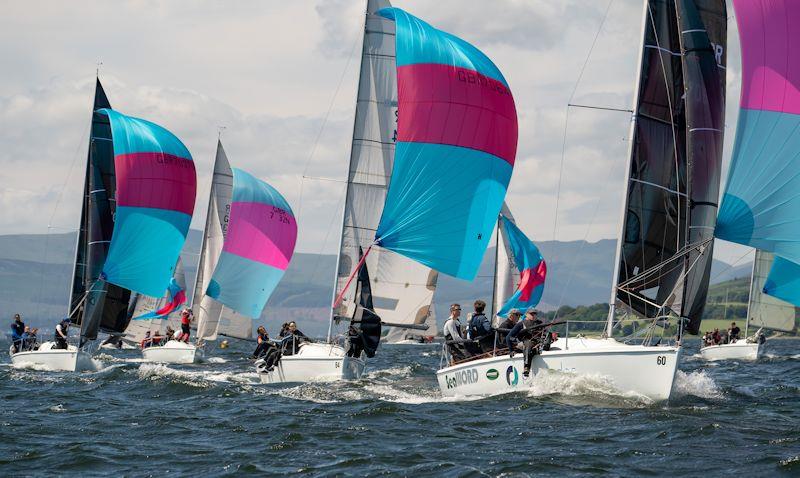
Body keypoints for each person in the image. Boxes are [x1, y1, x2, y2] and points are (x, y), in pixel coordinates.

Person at [505, 309, 544, 378]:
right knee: (528, 344)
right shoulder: (521, 324)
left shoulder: (539, 323)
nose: (534, 315)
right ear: (526, 314)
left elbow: (544, 333)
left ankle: (535, 350)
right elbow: (508, 337)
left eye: (535, 314)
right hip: (525, 343)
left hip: (538, 343)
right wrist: (511, 350)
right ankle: (526, 367)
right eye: (532, 314)